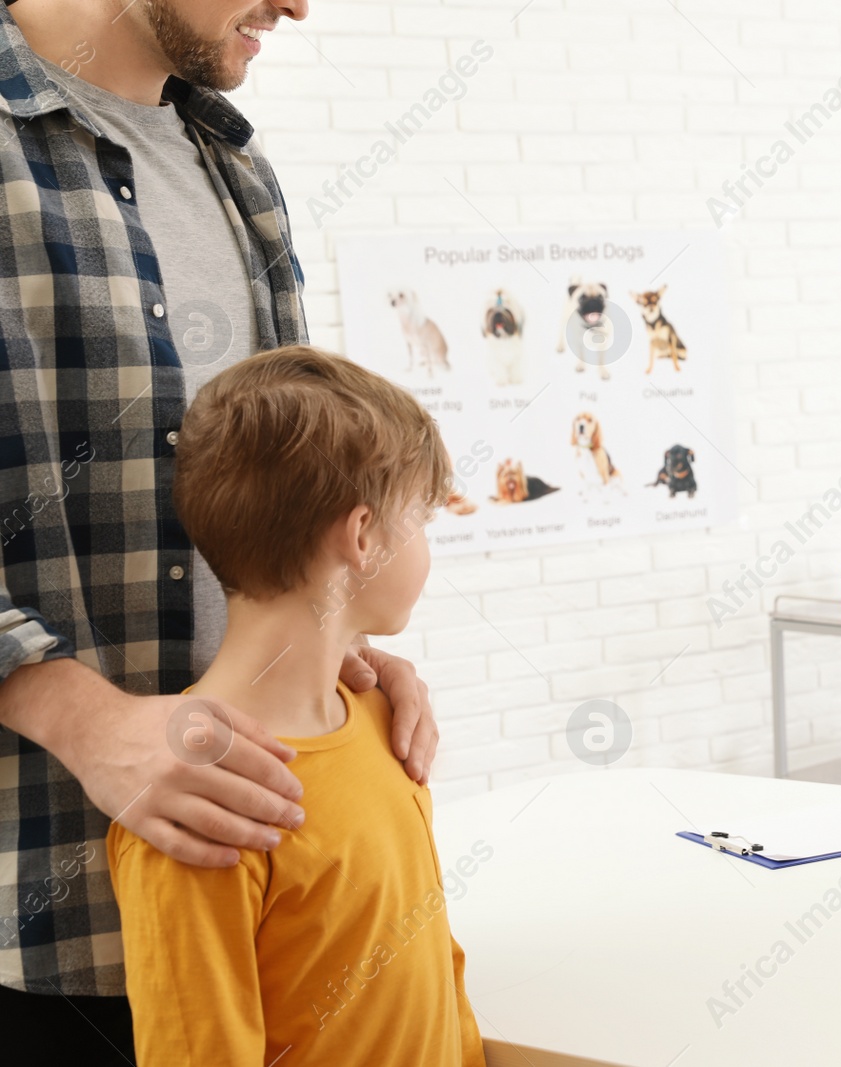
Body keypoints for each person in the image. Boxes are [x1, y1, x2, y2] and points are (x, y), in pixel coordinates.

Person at [0, 2, 439, 1057]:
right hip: (46, 923)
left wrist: (342, 645)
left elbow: (286, 488)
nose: (297, 4)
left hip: (271, 889)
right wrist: (82, 717)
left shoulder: (236, 173)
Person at [108, 344, 485, 1065]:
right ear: (364, 534)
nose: (429, 543)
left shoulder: (383, 723)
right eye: (422, 518)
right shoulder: (195, 803)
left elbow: (434, 962)